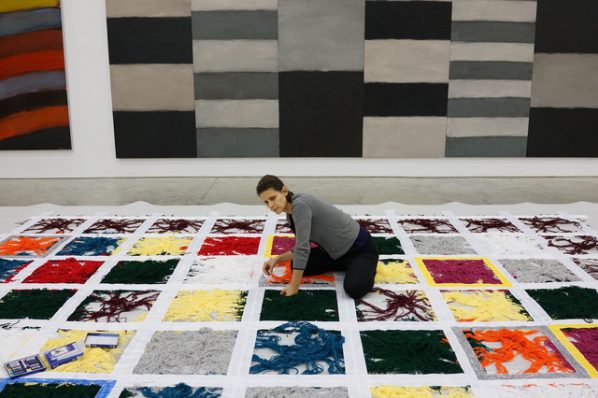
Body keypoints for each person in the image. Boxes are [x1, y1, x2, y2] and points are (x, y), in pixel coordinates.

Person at [256, 175, 378, 299]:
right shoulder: (290, 213)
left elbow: (303, 249)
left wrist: (294, 285)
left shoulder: (300, 206)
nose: (271, 205)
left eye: (273, 198)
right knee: (296, 265)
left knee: (354, 289)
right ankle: (344, 264)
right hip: (334, 253)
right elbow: (302, 245)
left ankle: (366, 267)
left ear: (284, 191)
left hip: (360, 249)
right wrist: (277, 259)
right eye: (266, 202)